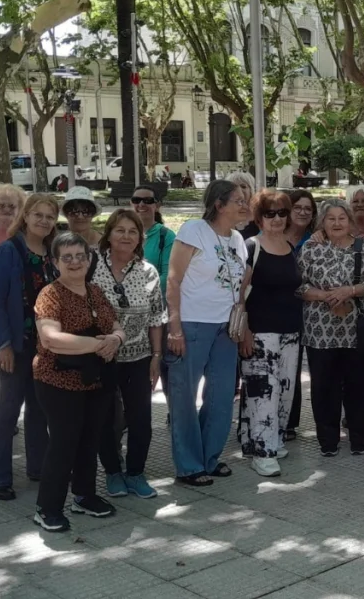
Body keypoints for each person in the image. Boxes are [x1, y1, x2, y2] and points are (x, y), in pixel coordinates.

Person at [30, 232, 124, 532]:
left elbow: (116, 324)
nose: (74, 262)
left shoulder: (95, 291)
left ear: (89, 259)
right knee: (63, 443)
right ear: (55, 262)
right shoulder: (50, 295)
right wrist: (98, 345)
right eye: (67, 257)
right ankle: (47, 508)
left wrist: (116, 338)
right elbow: (51, 339)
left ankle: (84, 496)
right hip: (58, 381)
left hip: (95, 381)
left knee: (90, 440)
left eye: (80, 256)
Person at [164, 180, 251, 486]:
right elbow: (173, 280)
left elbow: (241, 288)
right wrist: (174, 326)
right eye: (238, 200)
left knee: (222, 395)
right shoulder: (193, 230)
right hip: (192, 324)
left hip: (226, 328)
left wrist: (243, 324)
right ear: (219, 204)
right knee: (184, 397)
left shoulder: (239, 239)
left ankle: (209, 458)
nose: (244, 204)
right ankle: (188, 466)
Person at [0, 193, 59, 500]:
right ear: (25, 216)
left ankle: (38, 465)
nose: (43, 221)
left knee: (39, 406)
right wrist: (3, 345)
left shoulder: (53, 252)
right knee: (8, 407)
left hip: (43, 343)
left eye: (49, 216)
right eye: (37, 214)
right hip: (11, 339)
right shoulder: (8, 251)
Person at [297, 199, 364, 458]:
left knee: (357, 386)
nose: (336, 223)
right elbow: (297, 285)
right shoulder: (310, 248)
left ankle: (358, 439)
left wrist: (350, 291)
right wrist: (324, 296)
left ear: (350, 221)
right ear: (322, 222)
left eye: (341, 218)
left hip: (355, 329)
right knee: (324, 387)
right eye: (330, 218)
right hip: (319, 331)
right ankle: (328, 441)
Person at [92, 210, 167, 499]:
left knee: (141, 419)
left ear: (140, 238)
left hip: (139, 357)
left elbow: (156, 318)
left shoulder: (148, 272)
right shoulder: (92, 267)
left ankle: (135, 473)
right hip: (102, 356)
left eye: (132, 232)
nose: (125, 236)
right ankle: (113, 472)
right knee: (106, 419)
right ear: (108, 235)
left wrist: (157, 356)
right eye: (119, 230)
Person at [239, 190, 304, 475]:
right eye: (270, 213)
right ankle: (262, 453)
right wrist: (245, 332)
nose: (277, 219)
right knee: (263, 391)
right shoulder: (251, 247)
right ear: (259, 218)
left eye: (282, 213)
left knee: (285, 391)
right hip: (261, 331)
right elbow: (239, 295)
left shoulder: (290, 247)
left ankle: (267, 440)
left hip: (291, 331)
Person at [282, 188, 316, 440]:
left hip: (312, 312)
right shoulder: (272, 236)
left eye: (308, 208)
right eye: (298, 207)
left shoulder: (317, 240)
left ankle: (291, 422)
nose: (303, 212)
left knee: (300, 367)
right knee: (282, 367)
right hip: (278, 310)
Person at [131, 185, 175, 294]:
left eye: (148, 200)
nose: (141, 204)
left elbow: (168, 275)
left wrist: (138, 291)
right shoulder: (121, 233)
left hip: (152, 302)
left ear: (157, 205)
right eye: (136, 200)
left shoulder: (167, 236)